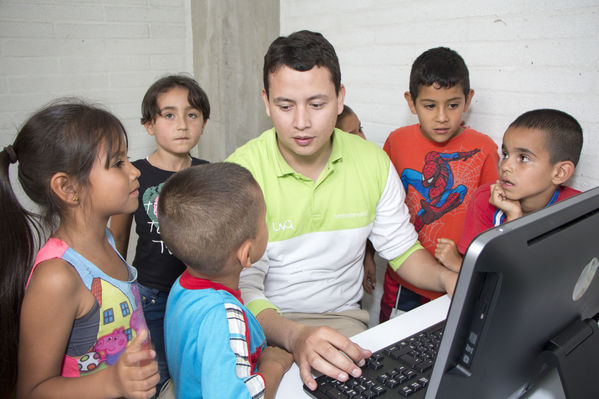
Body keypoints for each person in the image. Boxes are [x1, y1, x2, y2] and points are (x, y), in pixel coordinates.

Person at [226, 30, 457, 391]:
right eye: (286, 106)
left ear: (339, 99)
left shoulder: (372, 162)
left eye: (317, 104)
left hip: (342, 322)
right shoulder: (241, 173)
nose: (301, 122)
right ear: (266, 102)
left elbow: (401, 250)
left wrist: (447, 279)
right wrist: (294, 335)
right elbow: (239, 285)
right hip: (259, 322)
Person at [0, 100, 159, 398]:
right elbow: (32, 391)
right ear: (69, 188)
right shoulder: (57, 277)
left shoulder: (106, 241)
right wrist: (112, 382)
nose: (134, 171)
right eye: (117, 163)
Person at [380, 47, 499, 321]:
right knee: (393, 345)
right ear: (411, 102)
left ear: (468, 100)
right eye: (430, 105)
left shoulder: (484, 148)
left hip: (460, 276)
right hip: (404, 279)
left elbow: (492, 217)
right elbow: (380, 205)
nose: (442, 117)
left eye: (453, 105)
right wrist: (367, 257)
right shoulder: (396, 141)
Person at [109, 74, 210, 391]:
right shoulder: (135, 173)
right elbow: (118, 241)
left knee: (193, 371)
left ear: (203, 123)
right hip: (151, 296)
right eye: (169, 115)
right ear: (149, 125)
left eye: (191, 115)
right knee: (156, 374)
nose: (182, 124)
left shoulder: (208, 173)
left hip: (198, 292)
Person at [159, 162, 293, 399]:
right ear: (246, 253)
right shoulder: (225, 316)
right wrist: (273, 366)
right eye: (263, 220)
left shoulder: (181, 285)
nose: (266, 225)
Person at [435, 108, 583, 270]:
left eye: (523, 158)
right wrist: (513, 218)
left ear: (560, 172)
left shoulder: (577, 210)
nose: (506, 166)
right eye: (505, 154)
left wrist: (458, 264)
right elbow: (490, 274)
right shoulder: (485, 200)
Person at [335, 106, 377, 294]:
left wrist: (368, 257)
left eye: (361, 129)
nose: (362, 139)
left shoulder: (367, 172)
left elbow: (371, 223)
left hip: (350, 293)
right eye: (352, 134)